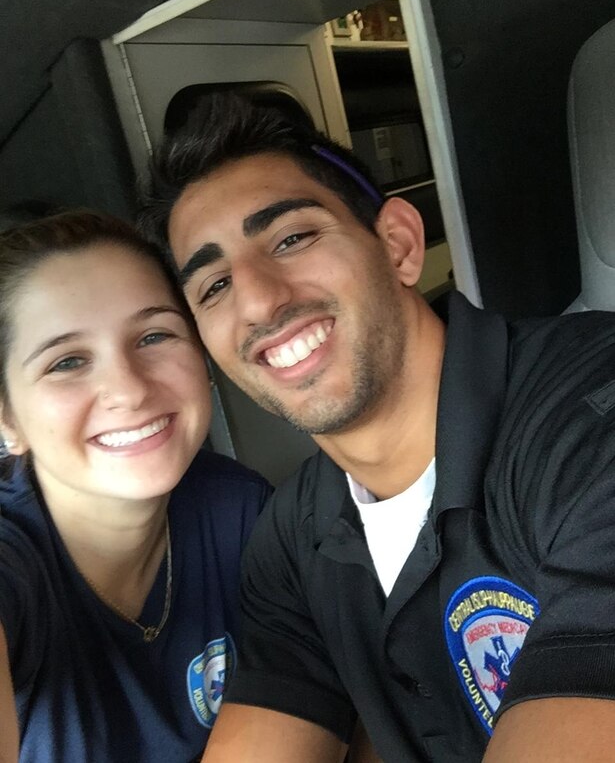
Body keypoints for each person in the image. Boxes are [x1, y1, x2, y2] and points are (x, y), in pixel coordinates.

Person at [140, 92, 615, 763]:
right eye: (212, 286)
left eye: (291, 238)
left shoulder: (589, 421)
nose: (256, 301)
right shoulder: (291, 533)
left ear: (397, 245)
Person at [0, 209, 271, 763]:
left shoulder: (240, 510)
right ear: (8, 419)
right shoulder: (14, 562)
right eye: (67, 362)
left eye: (153, 335)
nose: (128, 389)